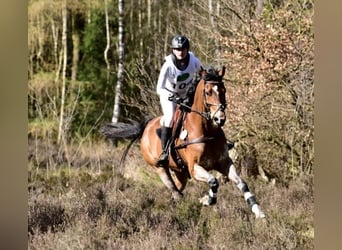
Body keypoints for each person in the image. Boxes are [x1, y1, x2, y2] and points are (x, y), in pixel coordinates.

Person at [156, 35, 203, 166]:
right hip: (169, 95)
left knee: (204, 110)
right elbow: (159, 88)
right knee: (170, 117)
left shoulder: (194, 61)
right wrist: (172, 97)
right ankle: (165, 151)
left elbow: (202, 75)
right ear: (173, 50)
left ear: (187, 49)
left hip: (186, 94)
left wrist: (194, 90)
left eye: (183, 49)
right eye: (177, 49)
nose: (180, 52)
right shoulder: (168, 65)